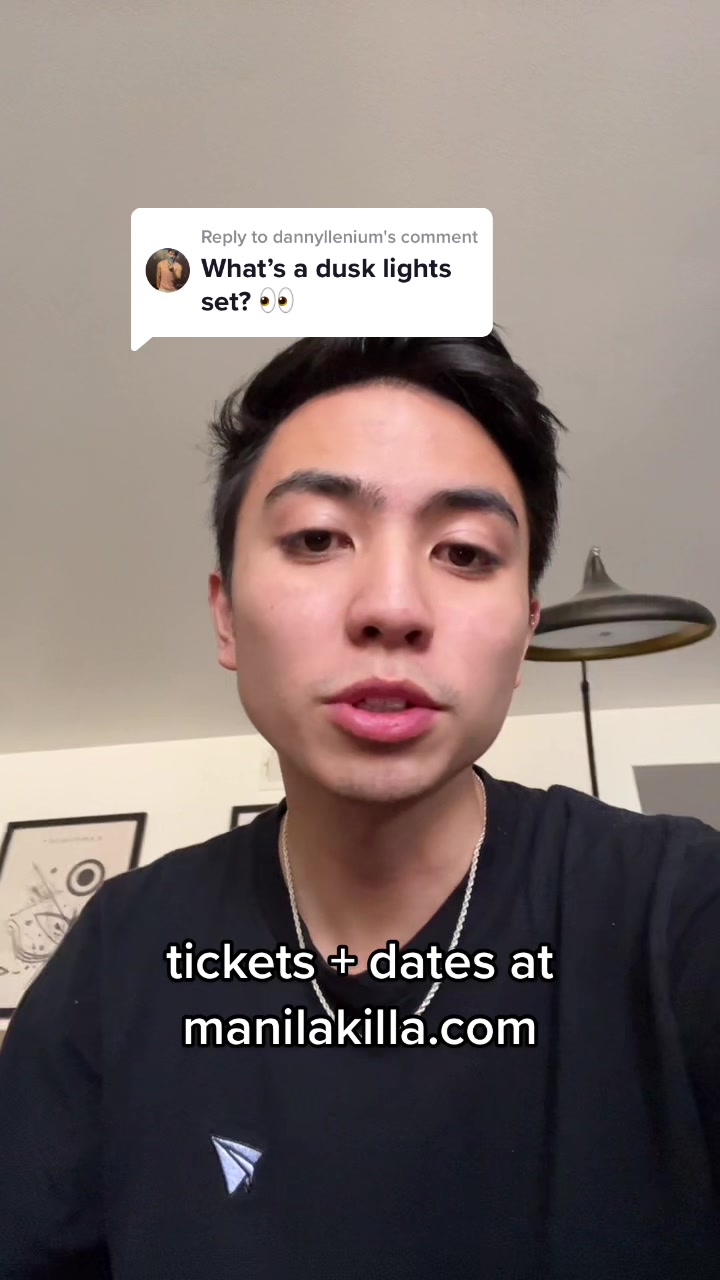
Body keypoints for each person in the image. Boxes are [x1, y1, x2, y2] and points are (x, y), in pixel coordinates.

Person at [1, 335, 719, 1278]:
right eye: (316, 539)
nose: (392, 606)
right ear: (225, 615)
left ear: (524, 634)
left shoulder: (679, 909)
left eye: (464, 552)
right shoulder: (122, 950)